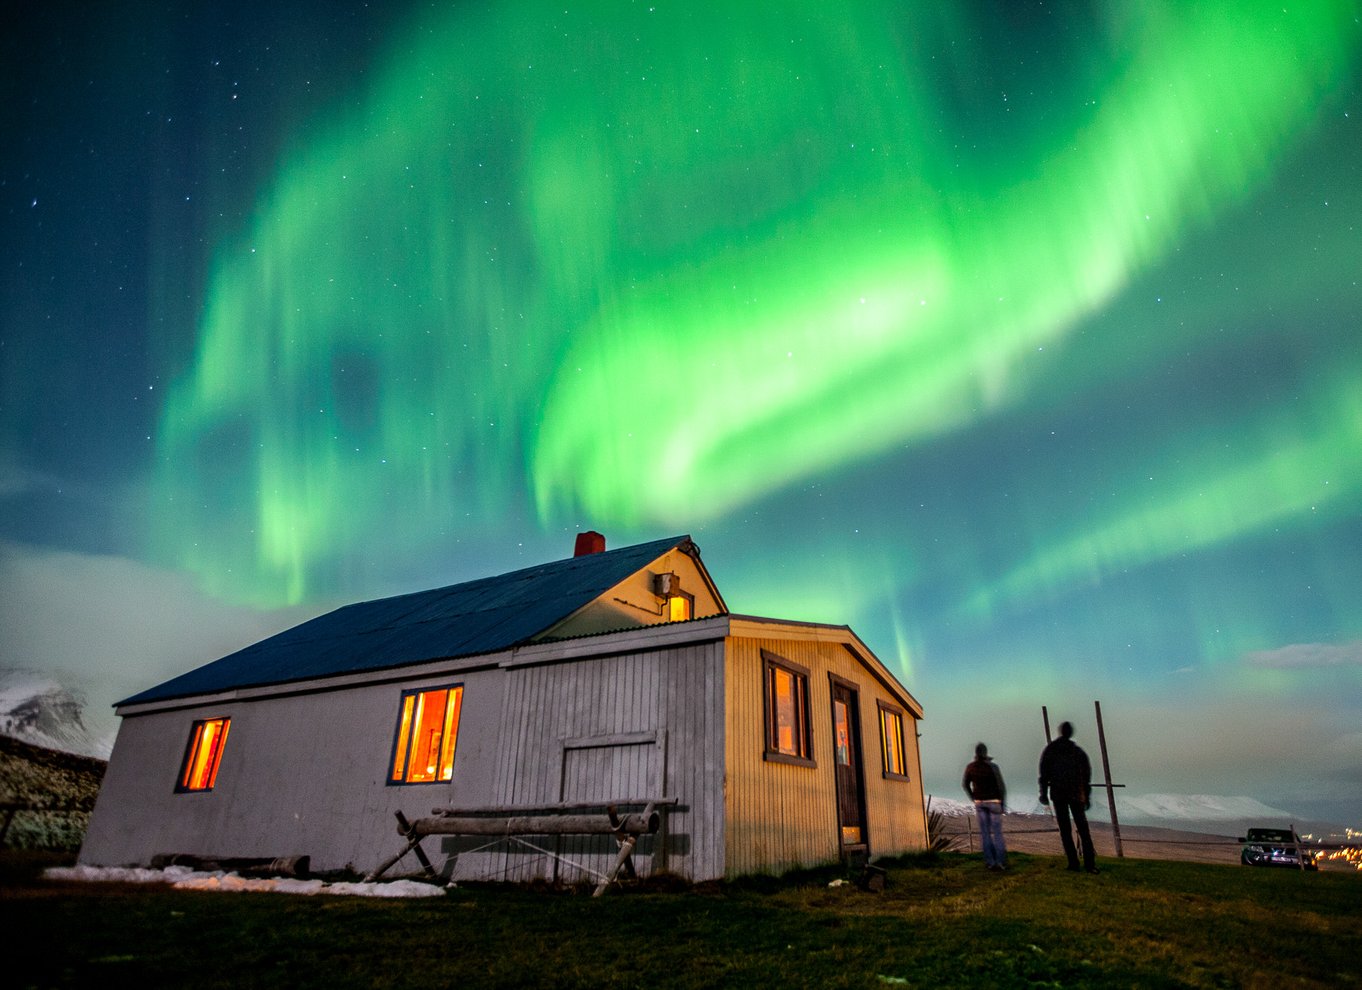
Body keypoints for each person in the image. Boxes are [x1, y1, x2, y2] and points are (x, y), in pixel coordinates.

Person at [1038, 721, 1098, 873]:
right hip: (1076, 794)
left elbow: (1044, 774)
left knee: (1065, 830)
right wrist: (1087, 796)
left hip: (1059, 794)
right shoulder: (1078, 752)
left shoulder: (1050, 751)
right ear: (1070, 733)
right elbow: (1086, 776)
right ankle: (1090, 865)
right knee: (1083, 830)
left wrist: (1043, 793)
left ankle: (1073, 863)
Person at [962, 742, 1008, 871]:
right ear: (985, 753)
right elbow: (1001, 786)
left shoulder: (971, 767)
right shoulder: (993, 767)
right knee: (997, 833)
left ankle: (990, 862)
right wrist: (1002, 803)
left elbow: (965, 784)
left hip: (980, 803)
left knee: (985, 834)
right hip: (994, 802)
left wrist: (973, 797)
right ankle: (1000, 862)